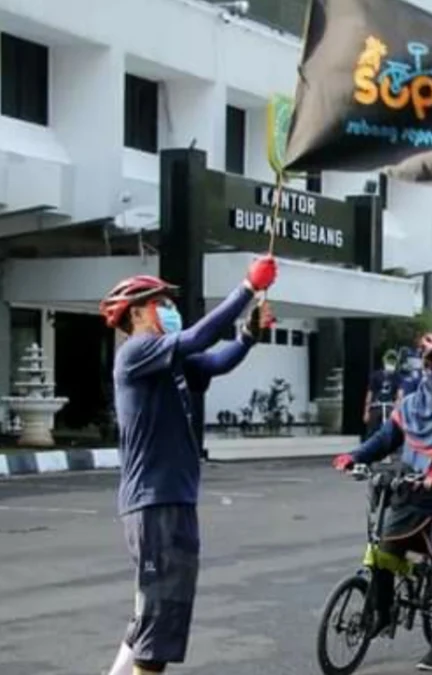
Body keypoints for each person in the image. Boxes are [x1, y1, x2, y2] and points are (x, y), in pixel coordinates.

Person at [98, 256, 278, 675]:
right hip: (154, 502)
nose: (171, 310)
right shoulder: (136, 353)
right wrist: (247, 289)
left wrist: (248, 335)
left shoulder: (168, 361)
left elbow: (217, 361)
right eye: (162, 303)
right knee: (160, 617)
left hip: (173, 499)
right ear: (137, 312)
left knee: (155, 610)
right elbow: (199, 338)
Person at [332, 330, 432, 671]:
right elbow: (386, 439)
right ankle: (382, 614)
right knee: (382, 551)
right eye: (431, 363)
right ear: (423, 364)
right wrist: (355, 456)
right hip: (410, 492)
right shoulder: (410, 403)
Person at [364, 349, 402, 440]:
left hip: (390, 406)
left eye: (393, 361)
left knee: (394, 428)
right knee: (372, 431)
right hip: (376, 406)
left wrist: (397, 409)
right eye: (389, 361)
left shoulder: (397, 376)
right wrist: (366, 411)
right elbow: (369, 394)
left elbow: (400, 395)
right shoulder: (376, 375)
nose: (391, 363)